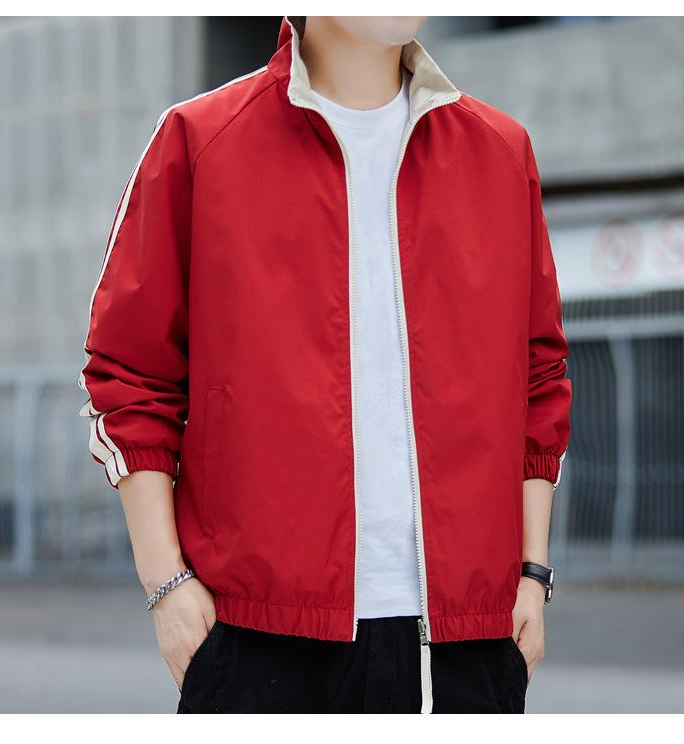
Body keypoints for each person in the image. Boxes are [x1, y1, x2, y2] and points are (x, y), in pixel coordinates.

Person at [78, 15, 572, 714]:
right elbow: (129, 374)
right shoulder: (200, 142)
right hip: (257, 635)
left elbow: (539, 377)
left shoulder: (499, 150)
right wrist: (166, 587)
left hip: (470, 641)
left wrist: (531, 575)